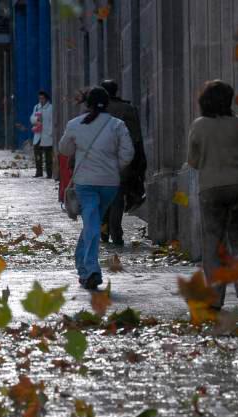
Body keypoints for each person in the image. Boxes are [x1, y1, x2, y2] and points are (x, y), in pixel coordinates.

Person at [187, 80, 238, 313]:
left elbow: (192, 160)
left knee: (212, 241)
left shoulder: (199, 126)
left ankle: (214, 297)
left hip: (211, 188)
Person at [59, 87, 134, 290]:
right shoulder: (117, 125)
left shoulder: (75, 124)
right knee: (93, 222)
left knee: (91, 223)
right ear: (107, 103)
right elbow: (128, 152)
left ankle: (91, 269)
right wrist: (114, 167)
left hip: (85, 183)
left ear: (87, 103)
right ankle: (83, 267)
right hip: (110, 184)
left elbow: (64, 148)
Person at [100, 79, 147, 246]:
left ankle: (103, 230)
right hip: (120, 161)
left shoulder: (93, 111)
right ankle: (116, 233)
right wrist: (139, 164)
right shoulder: (127, 109)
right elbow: (136, 139)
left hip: (98, 162)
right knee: (117, 198)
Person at [30, 90, 54, 178]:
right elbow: (32, 118)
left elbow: (52, 121)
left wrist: (51, 132)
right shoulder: (36, 107)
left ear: (46, 99)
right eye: (39, 98)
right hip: (38, 134)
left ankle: (49, 173)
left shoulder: (51, 108)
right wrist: (36, 119)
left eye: (42, 98)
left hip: (47, 134)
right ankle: (38, 171)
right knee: (37, 153)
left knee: (48, 155)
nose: (41, 100)